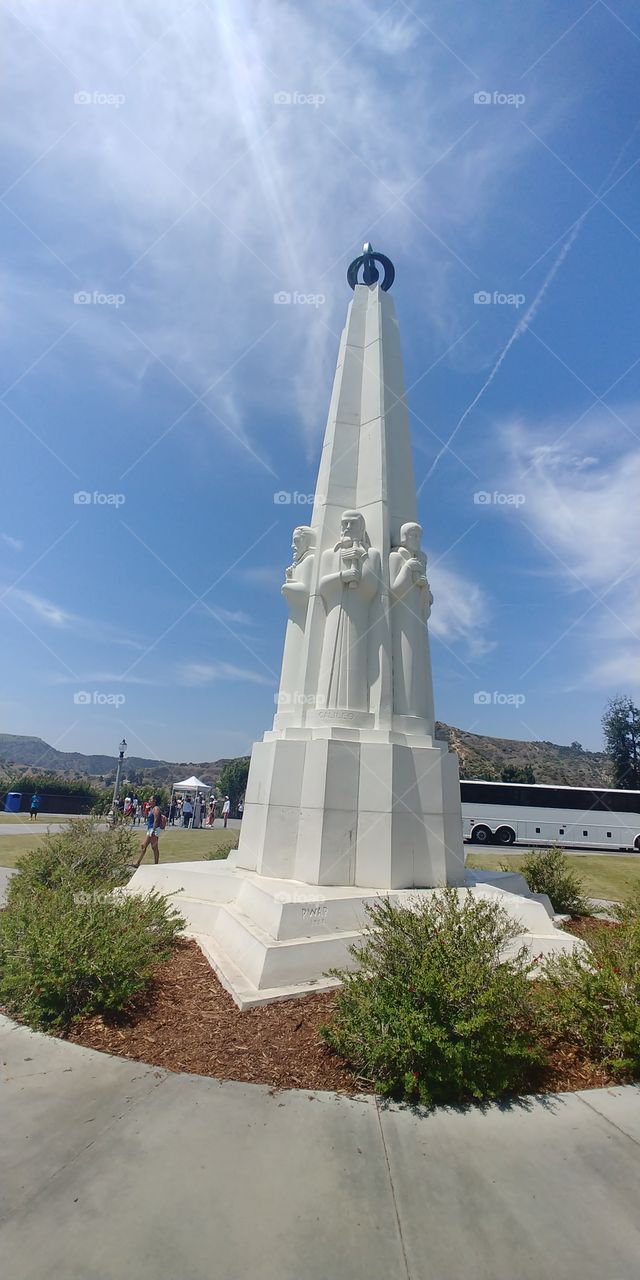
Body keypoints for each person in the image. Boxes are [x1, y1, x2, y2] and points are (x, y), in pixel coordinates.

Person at [133, 795, 164, 868]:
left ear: (154, 801)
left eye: (150, 799)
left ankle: (155, 864)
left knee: (153, 847)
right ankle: (138, 862)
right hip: (151, 829)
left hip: (154, 829)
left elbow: (156, 820)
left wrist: (153, 830)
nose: (149, 800)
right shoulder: (152, 808)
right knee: (145, 846)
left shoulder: (156, 809)